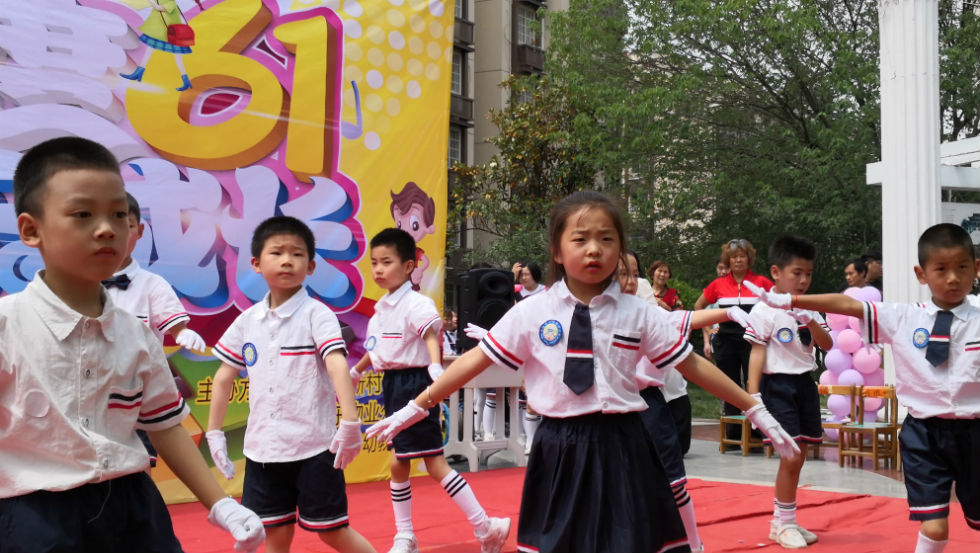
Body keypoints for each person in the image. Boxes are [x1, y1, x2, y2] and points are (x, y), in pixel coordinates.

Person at [368, 191, 797, 553]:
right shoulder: (532, 312)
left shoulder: (639, 314)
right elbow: (472, 361)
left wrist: (753, 407)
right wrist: (417, 406)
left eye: (606, 239)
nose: (594, 249)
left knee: (630, 542)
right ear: (557, 250)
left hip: (625, 444)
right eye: (580, 238)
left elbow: (692, 364)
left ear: (620, 249)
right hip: (559, 448)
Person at [0, 136, 264, 552]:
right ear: (32, 230)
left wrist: (221, 504)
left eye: (119, 214)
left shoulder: (138, 335)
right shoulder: (7, 326)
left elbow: (165, 427)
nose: (107, 228)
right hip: (34, 515)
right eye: (82, 214)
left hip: (135, 511)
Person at [746, 223, 980, 553]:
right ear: (921, 274)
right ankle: (783, 520)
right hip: (924, 435)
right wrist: (788, 301)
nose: (953, 278)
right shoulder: (904, 317)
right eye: (941, 269)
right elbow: (848, 305)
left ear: (976, 268)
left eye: (962, 268)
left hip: (974, 430)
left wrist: (800, 308)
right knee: (934, 524)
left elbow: (826, 339)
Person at [206, 216, 374, 553]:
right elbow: (224, 377)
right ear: (256, 264)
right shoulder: (247, 321)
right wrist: (214, 433)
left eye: (297, 254)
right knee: (274, 535)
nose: (287, 260)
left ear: (310, 267)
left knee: (333, 532)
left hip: (314, 448)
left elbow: (337, 365)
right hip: (263, 453)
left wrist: (350, 422)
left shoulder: (316, 315)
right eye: (277, 252)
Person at [616, 252, 791, 553]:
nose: (630, 281)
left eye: (634, 274)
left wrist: (727, 313)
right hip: (605, 414)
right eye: (621, 274)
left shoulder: (644, 314)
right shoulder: (577, 314)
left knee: (672, 483)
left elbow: (684, 329)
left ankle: (692, 544)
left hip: (648, 405)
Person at [349, 228, 509, 553]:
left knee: (433, 462)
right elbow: (377, 348)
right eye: (374, 263)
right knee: (399, 461)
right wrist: (356, 370)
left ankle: (484, 526)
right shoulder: (381, 309)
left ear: (409, 266)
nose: (378, 269)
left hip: (415, 385)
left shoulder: (416, 303)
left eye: (386, 262)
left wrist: (435, 368)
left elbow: (430, 336)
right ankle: (408, 534)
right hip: (391, 385)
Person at [743, 235, 832, 549]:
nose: (804, 280)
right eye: (797, 273)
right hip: (777, 386)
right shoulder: (764, 309)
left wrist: (810, 319)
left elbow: (827, 344)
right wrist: (752, 398)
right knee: (791, 455)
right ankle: (783, 523)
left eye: (809, 273)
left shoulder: (810, 306)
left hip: (804, 384)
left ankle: (784, 520)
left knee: (800, 455)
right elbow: (756, 352)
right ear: (776, 272)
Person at [106, 192, 208, 467]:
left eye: (125, 224)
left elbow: (176, 326)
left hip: (139, 397)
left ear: (139, 231)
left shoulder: (152, 285)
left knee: (140, 465)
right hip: (90, 398)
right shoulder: (78, 283)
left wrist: (183, 333)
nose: (113, 233)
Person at [694, 238, 773, 445]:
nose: (738, 260)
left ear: (749, 259)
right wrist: (708, 330)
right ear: (728, 260)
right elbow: (698, 307)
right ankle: (733, 435)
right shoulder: (718, 284)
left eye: (742, 256)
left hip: (752, 341)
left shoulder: (761, 282)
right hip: (725, 341)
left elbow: (777, 304)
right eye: (734, 257)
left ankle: (758, 433)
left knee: (754, 385)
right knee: (729, 386)